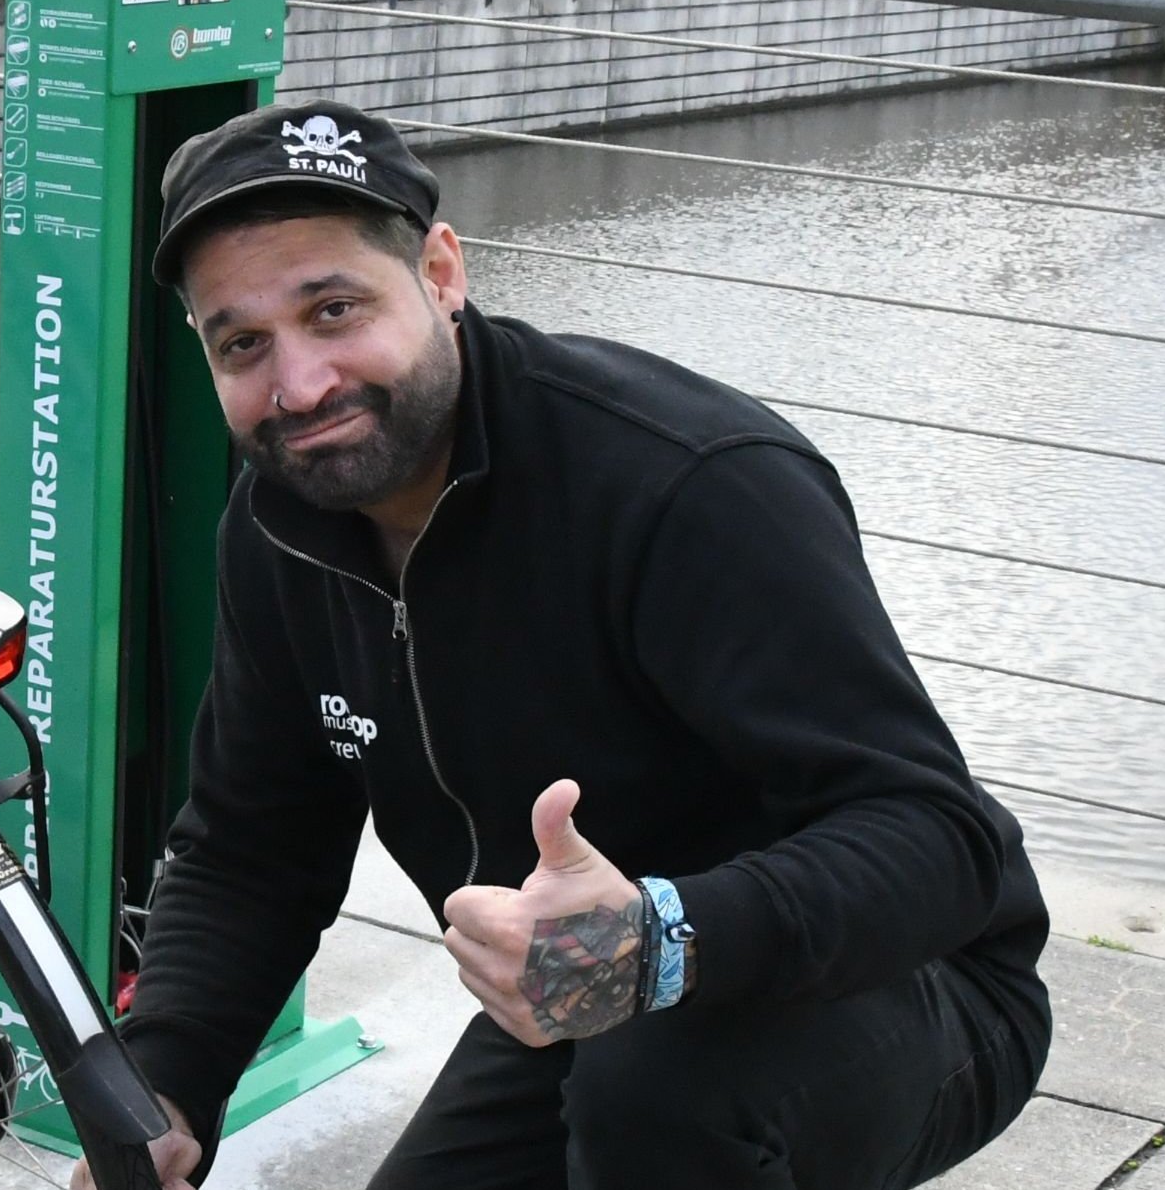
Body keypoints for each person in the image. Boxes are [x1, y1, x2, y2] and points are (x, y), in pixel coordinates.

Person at [72, 100, 1053, 1190]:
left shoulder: (689, 481)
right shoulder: (278, 523)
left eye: (336, 308)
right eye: (242, 343)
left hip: (903, 982)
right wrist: (167, 1079)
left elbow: (941, 841)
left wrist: (660, 936)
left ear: (442, 273)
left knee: (658, 1103)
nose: (300, 385)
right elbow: (253, 842)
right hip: (584, 988)